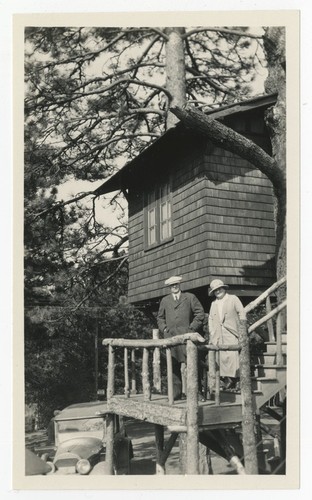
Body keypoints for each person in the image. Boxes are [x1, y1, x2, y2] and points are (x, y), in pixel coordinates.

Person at [157, 275, 205, 400]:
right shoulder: (165, 300)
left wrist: (192, 328)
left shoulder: (189, 297)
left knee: (193, 365)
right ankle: (176, 394)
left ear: (179, 285)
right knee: (173, 366)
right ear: (169, 287)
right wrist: (165, 329)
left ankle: (197, 392)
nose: (174, 287)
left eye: (176, 284)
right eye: (172, 285)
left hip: (187, 338)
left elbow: (200, 313)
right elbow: (160, 318)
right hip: (172, 338)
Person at [208, 279, 246, 391]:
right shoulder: (213, 304)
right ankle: (227, 380)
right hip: (219, 334)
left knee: (233, 356)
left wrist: (242, 329)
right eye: (215, 290)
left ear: (224, 288)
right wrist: (212, 331)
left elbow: (241, 312)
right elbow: (210, 318)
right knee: (221, 358)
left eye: (219, 288)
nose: (218, 291)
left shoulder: (233, 299)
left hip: (231, 332)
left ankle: (237, 380)